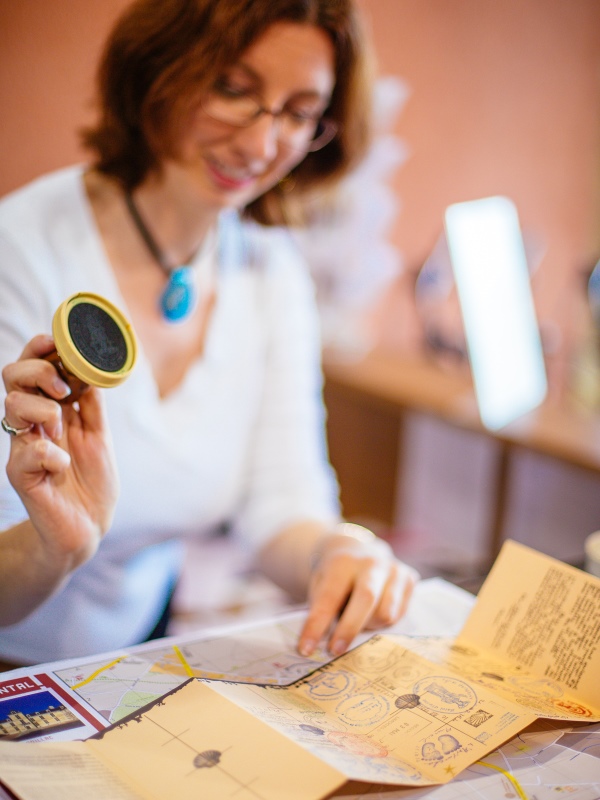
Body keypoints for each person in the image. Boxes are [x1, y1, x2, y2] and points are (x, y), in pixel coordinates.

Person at [0, 0, 418, 667]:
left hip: (131, 659)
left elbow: (284, 503)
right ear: (163, 68)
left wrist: (338, 551)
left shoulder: (270, 268)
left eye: (299, 112)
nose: (259, 146)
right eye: (233, 89)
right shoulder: (21, 248)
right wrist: (57, 547)